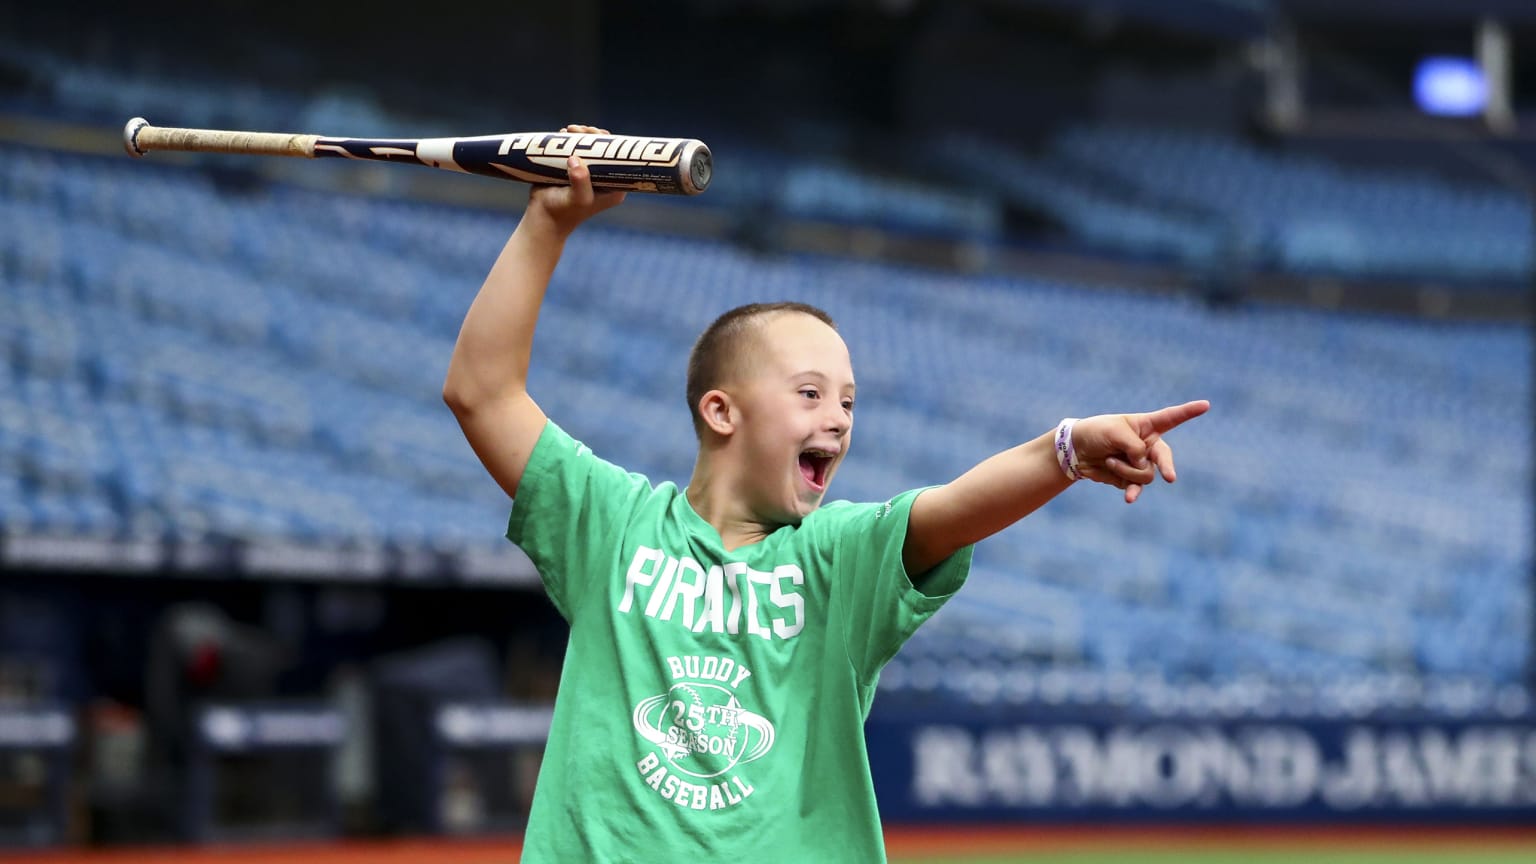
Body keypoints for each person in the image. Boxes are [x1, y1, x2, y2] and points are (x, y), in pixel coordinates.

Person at [442, 125, 1209, 863]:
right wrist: (548, 220)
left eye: (848, 401)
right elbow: (481, 392)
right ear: (721, 411)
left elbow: (953, 507)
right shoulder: (610, 526)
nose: (837, 420)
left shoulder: (836, 557)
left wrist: (1065, 448)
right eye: (810, 394)